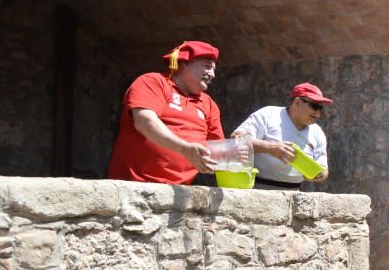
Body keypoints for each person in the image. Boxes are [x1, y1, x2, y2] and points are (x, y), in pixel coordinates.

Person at [108, 41, 223, 184]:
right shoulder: (153, 82)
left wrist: (249, 146)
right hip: (133, 186)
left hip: (179, 193)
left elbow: (220, 150)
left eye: (214, 69)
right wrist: (184, 149)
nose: (212, 74)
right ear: (183, 63)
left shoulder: (209, 104)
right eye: (207, 66)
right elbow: (145, 122)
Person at [232, 83, 331, 190]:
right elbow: (236, 139)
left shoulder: (317, 132)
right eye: (314, 106)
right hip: (258, 189)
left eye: (320, 108)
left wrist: (316, 176)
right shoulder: (268, 114)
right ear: (297, 102)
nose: (318, 113)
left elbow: (324, 170)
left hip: (294, 193)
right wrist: (270, 148)